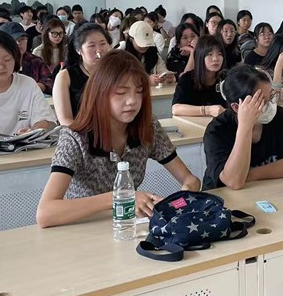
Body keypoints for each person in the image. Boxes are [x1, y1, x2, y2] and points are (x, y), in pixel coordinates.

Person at [35, 51, 201, 227]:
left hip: (128, 227)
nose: (132, 101)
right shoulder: (75, 137)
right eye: (121, 92)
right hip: (84, 230)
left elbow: (191, 180)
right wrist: (118, 198)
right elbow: (45, 214)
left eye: (139, 92)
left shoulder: (147, 127)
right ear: (100, 93)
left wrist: (177, 202)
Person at [202, 65, 283, 190]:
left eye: (271, 97)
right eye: (261, 101)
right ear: (237, 107)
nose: (270, 105)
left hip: (263, 191)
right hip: (223, 197)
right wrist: (245, 126)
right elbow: (234, 182)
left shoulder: (280, 116)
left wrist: (248, 175)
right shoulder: (217, 130)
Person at [53, 23, 112, 126]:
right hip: (78, 132)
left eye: (103, 44)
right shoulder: (65, 77)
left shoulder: (114, 73)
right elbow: (65, 120)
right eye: (91, 45)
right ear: (79, 50)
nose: (99, 50)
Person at [171, 35, 226, 117]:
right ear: (200, 56)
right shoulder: (187, 79)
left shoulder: (227, 79)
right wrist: (207, 110)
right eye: (210, 54)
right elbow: (176, 109)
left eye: (219, 54)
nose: (215, 58)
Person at [0, 23, 54, 94]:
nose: (18, 43)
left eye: (22, 39)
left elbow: (50, 82)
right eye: (13, 40)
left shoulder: (36, 61)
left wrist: (38, 87)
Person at [120, 21, 174, 86]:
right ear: (131, 40)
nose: (144, 47)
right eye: (141, 43)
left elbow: (162, 70)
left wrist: (166, 77)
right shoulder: (122, 52)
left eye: (147, 44)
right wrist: (146, 80)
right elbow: (120, 78)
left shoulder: (153, 53)